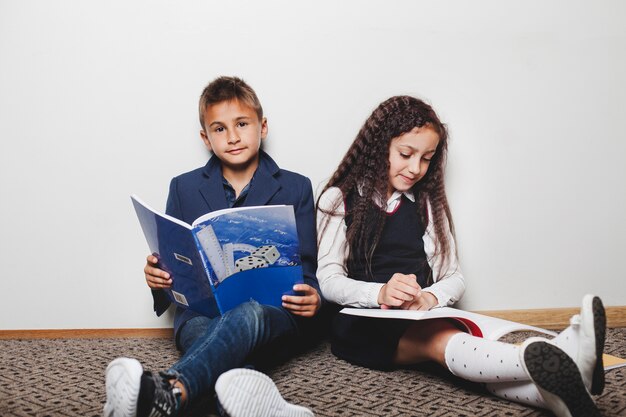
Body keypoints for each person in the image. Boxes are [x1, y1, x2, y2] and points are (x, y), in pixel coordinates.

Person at [315, 95, 606, 417]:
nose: (416, 168)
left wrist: (428, 298)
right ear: (377, 147)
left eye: (427, 158)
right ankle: (562, 354)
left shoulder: (425, 205)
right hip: (361, 320)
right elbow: (328, 280)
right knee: (439, 341)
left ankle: (562, 399)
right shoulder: (338, 198)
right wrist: (379, 292)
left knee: (445, 338)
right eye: (406, 154)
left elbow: (454, 276)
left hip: (421, 314)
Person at [104, 76, 321, 417]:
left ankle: (165, 392)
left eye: (242, 124)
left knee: (247, 313)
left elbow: (307, 268)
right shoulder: (183, 187)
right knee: (208, 339)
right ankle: (250, 405)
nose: (233, 137)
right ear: (205, 138)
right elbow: (173, 260)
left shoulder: (296, 187)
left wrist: (312, 295)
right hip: (200, 314)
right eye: (219, 129)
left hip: (272, 314)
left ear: (262, 127)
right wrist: (157, 278)